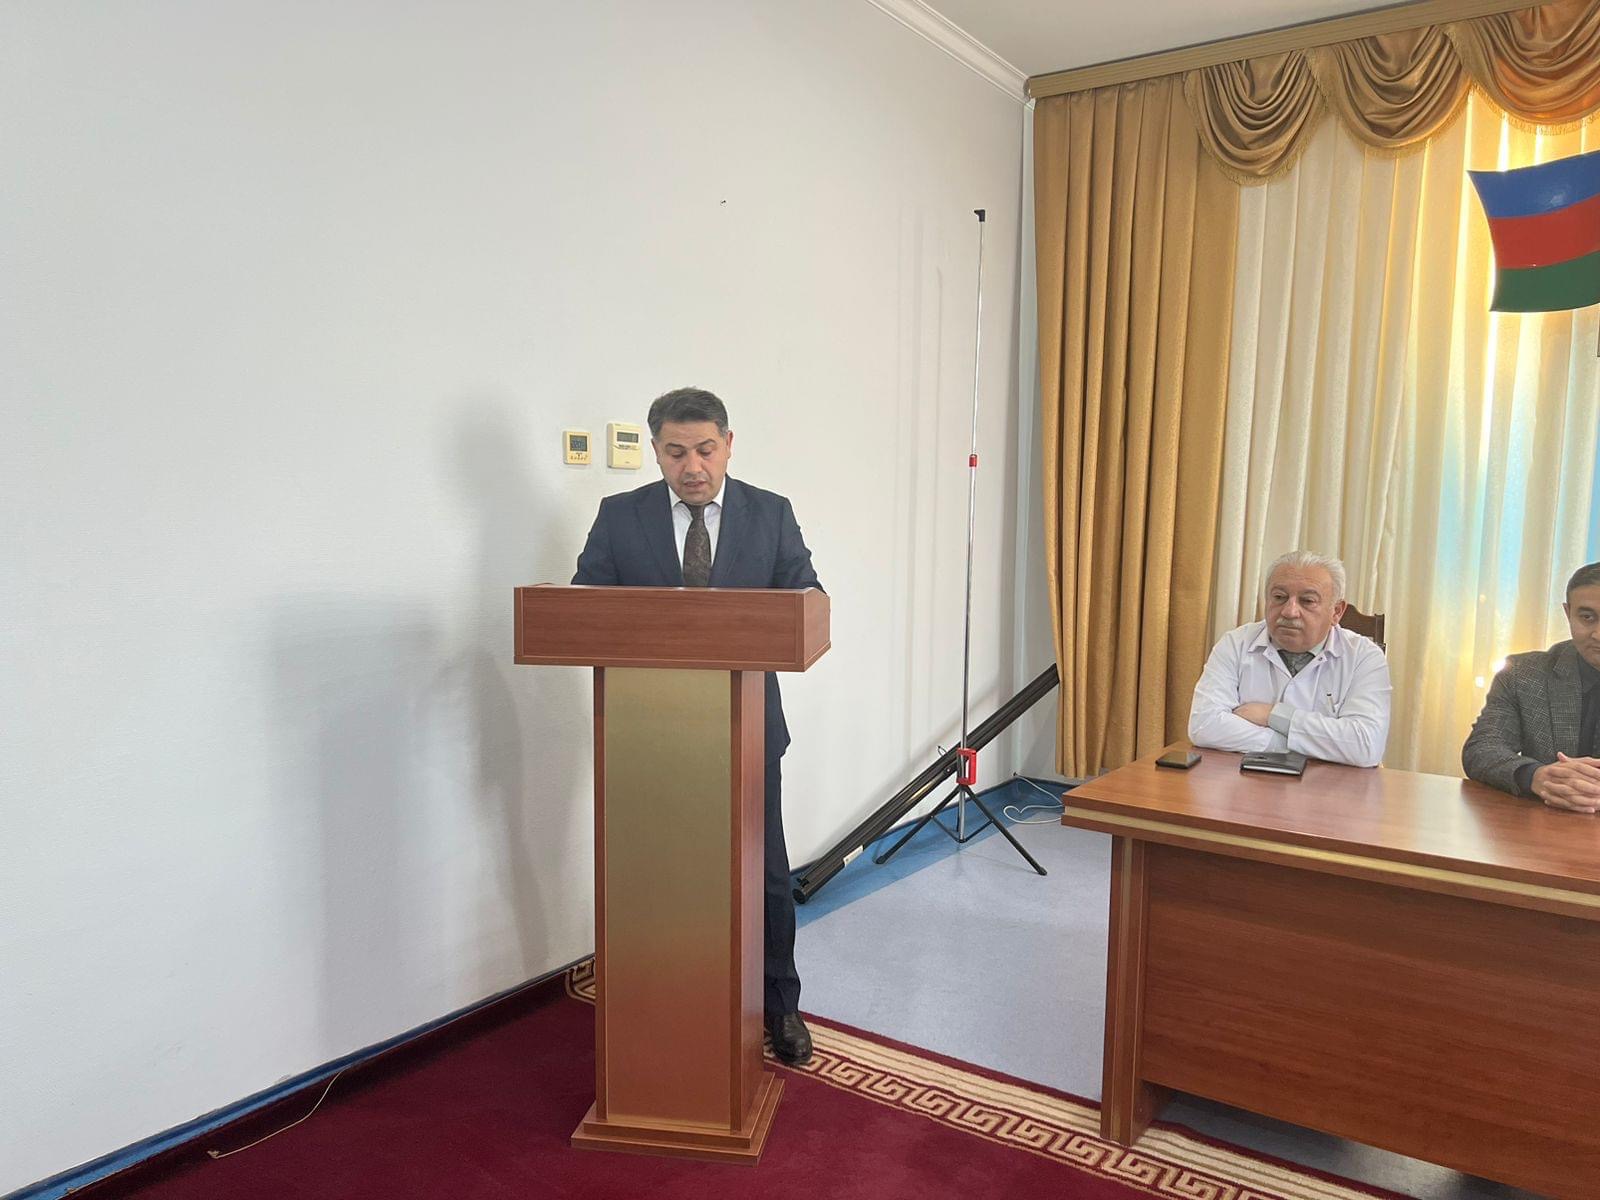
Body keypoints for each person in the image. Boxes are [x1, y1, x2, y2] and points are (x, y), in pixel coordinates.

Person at [572, 386, 822, 1064]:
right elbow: (585, 603)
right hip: (650, 732)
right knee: (659, 875)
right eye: (676, 452)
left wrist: (800, 605)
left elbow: (806, 590)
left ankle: (780, 1006)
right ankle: (666, 999)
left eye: (706, 450)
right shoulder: (619, 517)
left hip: (747, 725)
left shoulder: (771, 513)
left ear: (729, 445)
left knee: (764, 871)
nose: (693, 467)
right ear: (655, 451)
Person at [1188, 550, 1392, 767]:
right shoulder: (1235, 643)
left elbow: (1365, 745)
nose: (1289, 611)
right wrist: (1295, 744)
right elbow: (1204, 725)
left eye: (1307, 601)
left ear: (1336, 612)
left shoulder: (1364, 656)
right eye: (1279, 597)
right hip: (1246, 779)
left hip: (1331, 784)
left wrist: (1273, 715)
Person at [1462, 562, 1600, 813]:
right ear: (1568, 613)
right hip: (1545, 824)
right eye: (1587, 617)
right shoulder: (1523, 674)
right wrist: (1536, 776)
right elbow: (1481, 749)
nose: (1598, 634)